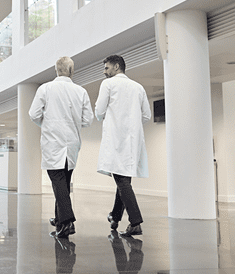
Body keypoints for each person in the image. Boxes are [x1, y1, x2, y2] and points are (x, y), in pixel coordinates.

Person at [29, 56, 94, 238]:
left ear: (56, 70)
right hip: (71, 144)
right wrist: (72, 123)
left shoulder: (46, 88)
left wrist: (47, 124)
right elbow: (87, 120)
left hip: (53, 143)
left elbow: (33, 114)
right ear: (72, 71)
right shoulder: (80, 91)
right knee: (63, 183)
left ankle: (67, 222)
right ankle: (60, 220)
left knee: (58, 183)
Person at [95, 55, 151, 237]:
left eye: (106, 68)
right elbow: (146, 116)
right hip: (132, 141)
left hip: (115, 139)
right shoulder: (138, 87)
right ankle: (115, 216)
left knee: (122, 181)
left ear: (117, 66)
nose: (104, 72)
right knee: (123, 179)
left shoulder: (108, 85)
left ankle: (135, 222)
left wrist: (110, 118)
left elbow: (99, 111)